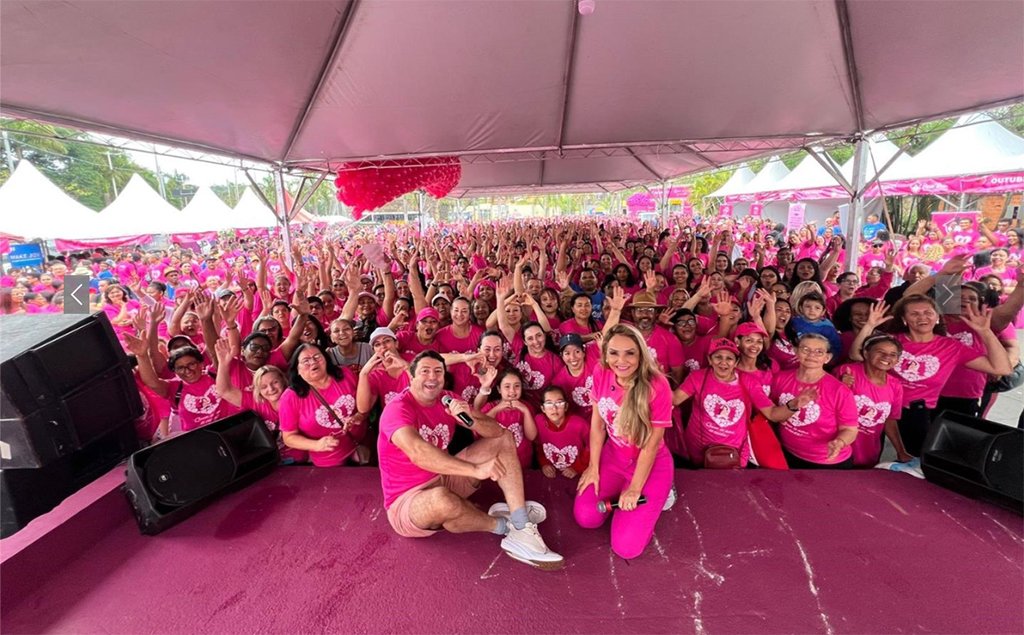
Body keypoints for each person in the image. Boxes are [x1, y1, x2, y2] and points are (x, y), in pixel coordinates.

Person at [378, 350, 564, 570]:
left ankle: (521, 522)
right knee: (443, 501)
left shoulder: (447, 398)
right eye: (425, 371)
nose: (432, 377)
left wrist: (470, 419)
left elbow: (497, 432)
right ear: (411, 376)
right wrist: (475, 469)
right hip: (407, 501)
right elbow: (419, 453)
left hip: (444, 477)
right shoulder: (398, 408)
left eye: (438, 371)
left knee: (504, 439)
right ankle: (505, 527)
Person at [849, 297, 1011, 455]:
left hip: (916, 413)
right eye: (914, 314)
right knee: (870, 457)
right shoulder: (891, 341)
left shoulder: (951, 346)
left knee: (913, 461)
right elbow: (856, 355)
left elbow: (1002, 368)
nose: (922, 317)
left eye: (928, 312)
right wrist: (869, 326)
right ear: (904, 319)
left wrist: (985, 331)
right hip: (879, 407)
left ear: (937, 317)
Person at [573, 324, 675, 560]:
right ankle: (622, 492)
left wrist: (635, 489)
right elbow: (597, 426)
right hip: (614, 456)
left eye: (630, 353)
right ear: (606, 354)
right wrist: (593, 467)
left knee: (626, 549)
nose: (622, 360)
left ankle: (662, 492)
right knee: (587, 518)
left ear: (641, 354)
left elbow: (650, 445)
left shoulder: (658, 385)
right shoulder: (600, 372)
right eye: (614, 353)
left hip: (650, 464)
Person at [769, 333, 859, 468]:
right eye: (806, 349)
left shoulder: (840, 391)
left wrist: (839, 443)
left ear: (827, 358)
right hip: (787, 453)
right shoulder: (780, 379)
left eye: (819, 352)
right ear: (795, 351)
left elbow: (850, 430)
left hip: (827, 462)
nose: (812, 355)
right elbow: (772, 412)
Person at [213, 339, 307, 464]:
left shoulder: (298, 398)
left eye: (275, 382)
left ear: (284, 381)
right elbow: (224, 391)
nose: (271, 389)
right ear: (258, 391)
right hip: (270, 461)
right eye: (264, 387)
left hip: (300, 460)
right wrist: (223, 363)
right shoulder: (255, 401)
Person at [278, 343, 369, 467]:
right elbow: (288, 437)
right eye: (306, 361)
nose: (313, 362)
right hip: (328, 458)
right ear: (297, 370)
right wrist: (316, 445)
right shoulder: (290, 397)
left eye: (317, 357)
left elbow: (365, 400)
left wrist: (360, 416)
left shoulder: (344, 374)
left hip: (360, 443)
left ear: (325, 359)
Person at [834, 334, 912, 468]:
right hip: (838, 448)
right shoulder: (847, 372)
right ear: (866, 353)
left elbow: (890, 420)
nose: (887, 357)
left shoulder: (895, 385)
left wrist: (901, 451)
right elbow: (823, 405)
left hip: (869, 450)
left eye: (893, 354)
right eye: (880, 352)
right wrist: (839, 387)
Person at [474, 367, 537, 467]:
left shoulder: (526, 407)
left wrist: (525, 410)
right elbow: (479, 432)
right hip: (495, 463)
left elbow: (532, 436)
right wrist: (495, 410)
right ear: (499, 389)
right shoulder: (490, 407)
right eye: (507, 387)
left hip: (523, 462)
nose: (512, 391)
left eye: (517, 386)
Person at [534, 386, 590, 480]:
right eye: (549, 403)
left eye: (559, 403)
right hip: (552, 474)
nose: (554, 408)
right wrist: (544, 464)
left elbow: (592, 445)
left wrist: (578, 467)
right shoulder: (539, 422)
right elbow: (538, 445)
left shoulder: (579, 424)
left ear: (566, 406)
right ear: (543, 408)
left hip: (578, 473)